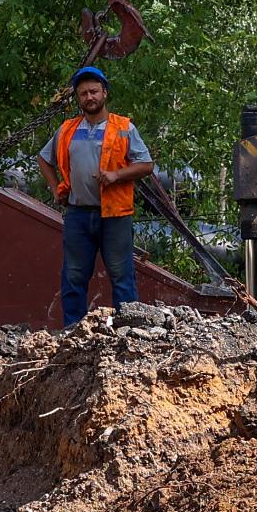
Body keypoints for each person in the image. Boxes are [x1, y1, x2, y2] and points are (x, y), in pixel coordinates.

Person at [45, 66, 154, 326]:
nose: (89, 97)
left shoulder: (124, 127)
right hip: (78, 213)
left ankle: (128, 330)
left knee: (121, 274)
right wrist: (55, 188)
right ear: (78, 98)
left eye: (93, 91)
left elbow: (146, 165)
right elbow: (44, 158)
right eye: (83, 93)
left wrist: (117, 175)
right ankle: (73, 330)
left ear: (104, 93)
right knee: (73, 275)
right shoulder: (68, 129)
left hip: (115, 215)